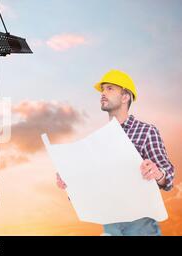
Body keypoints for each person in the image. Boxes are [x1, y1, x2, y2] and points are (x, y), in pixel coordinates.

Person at [56, 70, 175, 236]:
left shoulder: (146, 131)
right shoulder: (97, 142)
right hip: (111, 226)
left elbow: (167, 176)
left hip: (141, 228)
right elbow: (91, 186)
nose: (103, 93)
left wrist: (157, 173)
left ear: (125, 97)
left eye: (110, 88)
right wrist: (70, 183)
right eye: (102, 89)